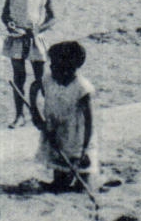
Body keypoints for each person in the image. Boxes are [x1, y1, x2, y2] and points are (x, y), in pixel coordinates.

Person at [32, 40, 98, 193]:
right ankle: (60, 182)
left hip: (77, 137)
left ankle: (84, 183)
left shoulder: (82, 88)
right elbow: (34, 87)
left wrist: (85, 148)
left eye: (54, 64)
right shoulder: (49, 79)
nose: (50, 67)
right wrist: (35, 115)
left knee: (82, 179)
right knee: (60, 175)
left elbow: (90, 122)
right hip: (57, 131)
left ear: (67, 67)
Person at [3, 0, 55, 130]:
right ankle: (19, 116)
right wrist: (9, 24)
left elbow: (52, 17)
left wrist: (38, 29)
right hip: (17, 38)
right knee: (19, 78)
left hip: (36, 38)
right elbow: (5, 14)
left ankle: (45, 114)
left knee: (40, 78)